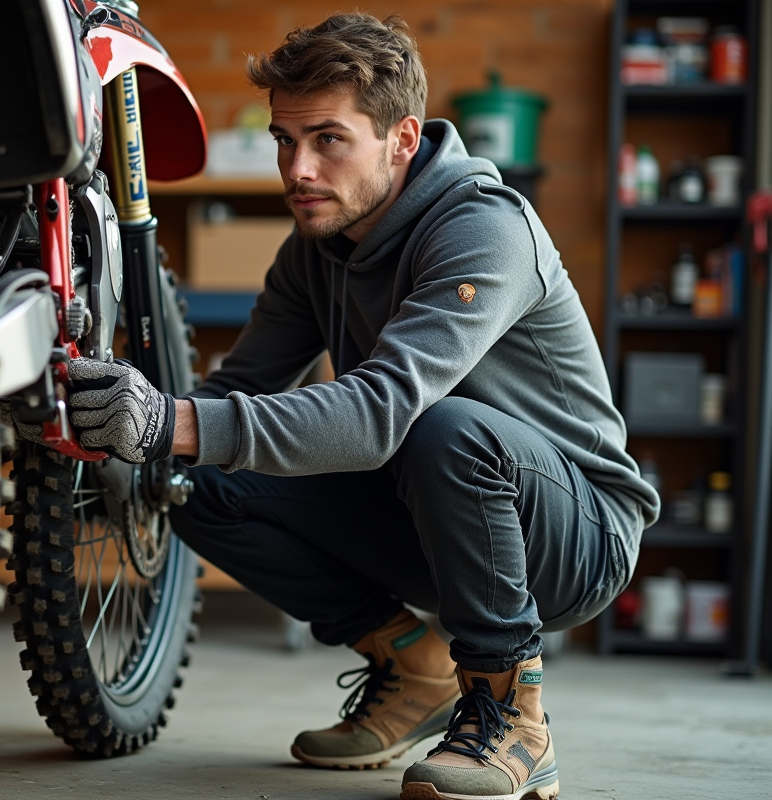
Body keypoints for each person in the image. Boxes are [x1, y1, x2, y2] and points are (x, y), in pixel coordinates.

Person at [58, 12, 658, 800]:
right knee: (194, 477)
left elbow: (381, 412)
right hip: (430, 510)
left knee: (441, 428)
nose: (297, 168)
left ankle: (513, 715)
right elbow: (234, 396)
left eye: (329, 139)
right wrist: (114, 434)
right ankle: (414, 666)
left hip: (572, 535)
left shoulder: (484, 230)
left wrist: (167, 420)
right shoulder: (315, 249)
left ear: (402, 139)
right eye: (284, 139)